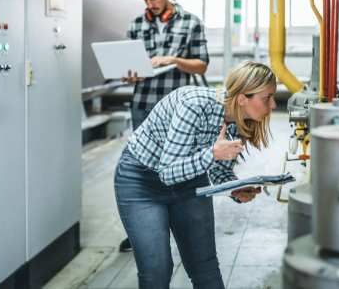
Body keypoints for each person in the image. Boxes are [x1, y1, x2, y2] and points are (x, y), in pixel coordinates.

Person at [114, 61, 277, 289]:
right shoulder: (195, 104)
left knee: (204, 265)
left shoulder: (236, 119)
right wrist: (212, 154)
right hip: (142, 182)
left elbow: (219, 170)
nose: (273, 105)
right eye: (267, 98)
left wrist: (234, 188)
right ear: (242, 98)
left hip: (190, 181)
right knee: (157, 270)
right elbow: (168, 173)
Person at [118, 0, 210, 252]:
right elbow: (128, 66)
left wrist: (173, 59)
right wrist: (129, 76)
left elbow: (202, 65)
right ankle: (146, 228)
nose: (151, 4)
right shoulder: (136, 25)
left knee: (176, 165)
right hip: (143, 104)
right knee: (144, 166)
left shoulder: (190, 22)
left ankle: (180, 224)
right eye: (146, 0)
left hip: (176, 108)